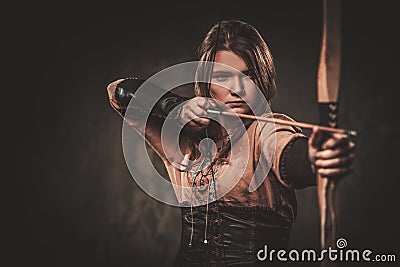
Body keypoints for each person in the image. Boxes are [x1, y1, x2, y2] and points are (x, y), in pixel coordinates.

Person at [106, 20, 355, 266]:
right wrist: (177, 107)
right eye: (224, 77)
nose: (236, 89)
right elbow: (118, 92)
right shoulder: (183, 137)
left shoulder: (266, 129)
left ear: (262, 79)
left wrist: (316, 156)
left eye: (248, 76)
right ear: (207, 83)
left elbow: (289, 152)